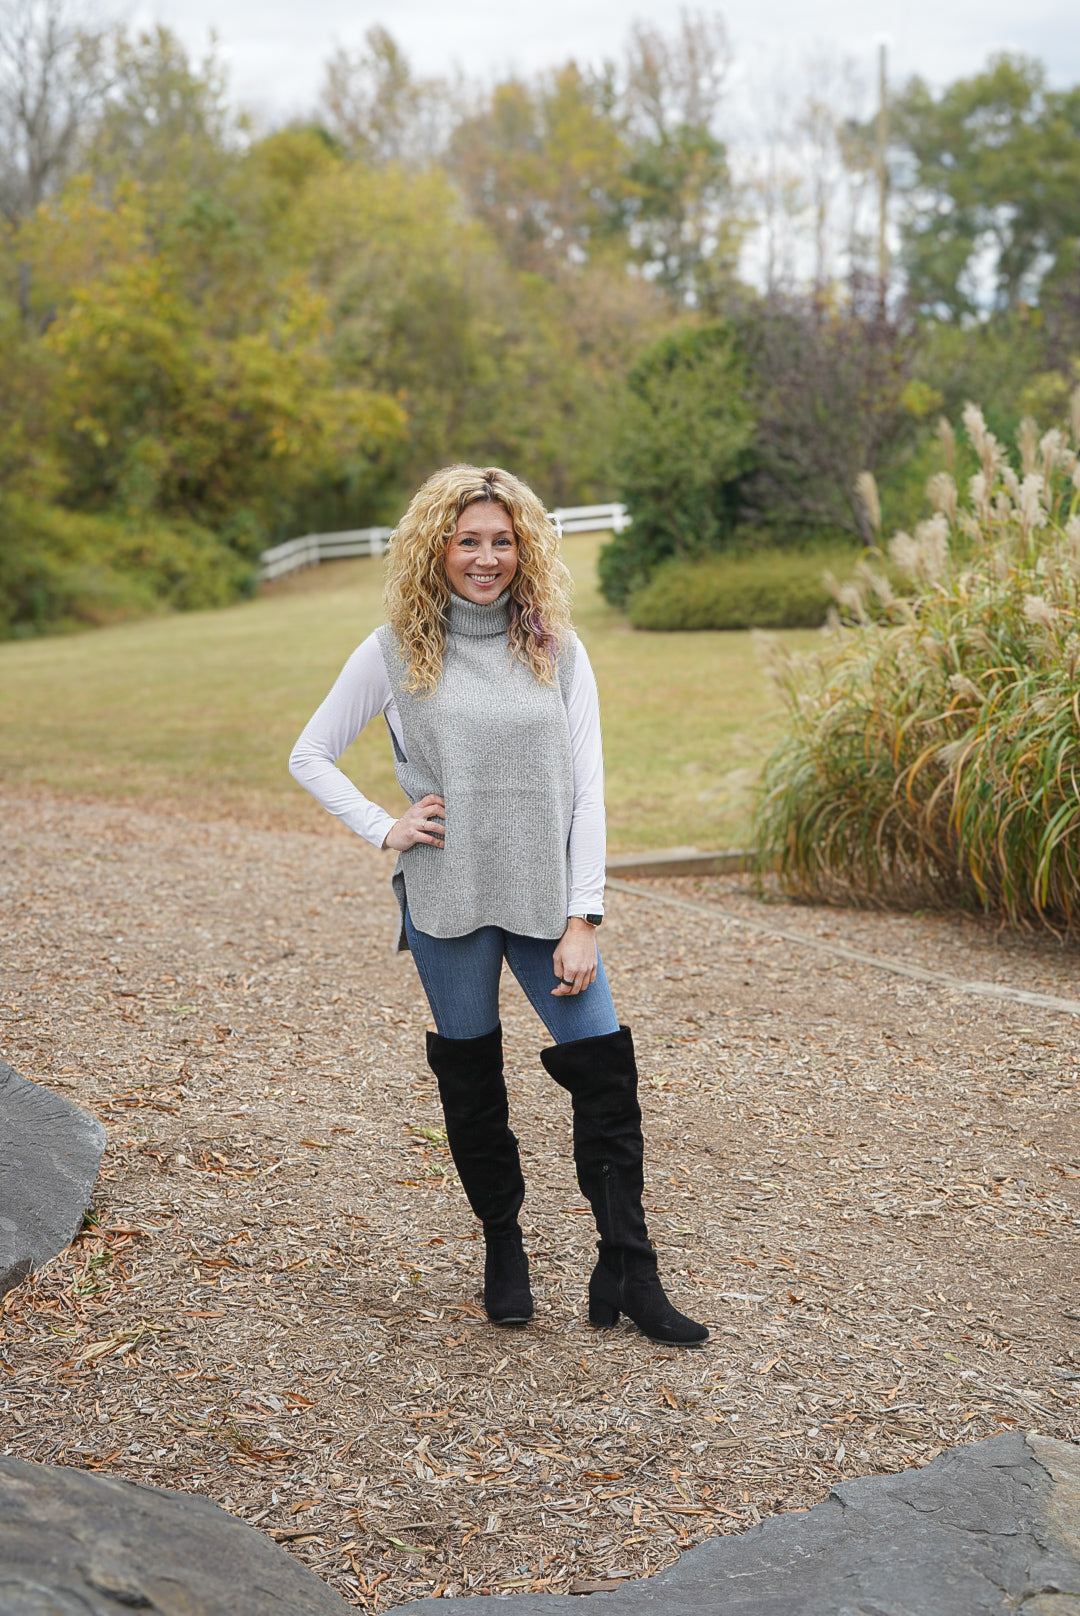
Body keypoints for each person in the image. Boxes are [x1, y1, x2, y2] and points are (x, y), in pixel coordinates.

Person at [289, 464, 708, 1347]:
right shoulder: (395, 651)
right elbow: (310, 753)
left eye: (503, 541)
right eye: (468, 540)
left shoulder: (557, 646)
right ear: (436, 547)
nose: (487, 558)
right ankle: (503, 1245)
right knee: (472, 1083)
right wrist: (385, 826)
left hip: (546, 904)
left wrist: (584, 916)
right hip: (447, 904)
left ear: (525, 547)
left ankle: (628, 1268)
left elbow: (588, 789)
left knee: (605, 1074)